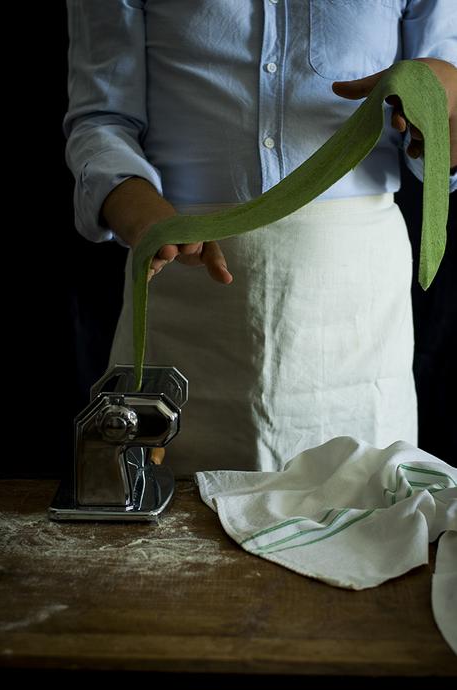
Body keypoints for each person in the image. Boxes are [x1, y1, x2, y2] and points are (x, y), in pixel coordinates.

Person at [65, 1, 457, 475]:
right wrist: (140, 214)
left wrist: (443, 110)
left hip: (355, 308)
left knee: (357, 512)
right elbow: (101, 119)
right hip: (182, 275)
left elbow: (439, 139)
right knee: (170, 534)